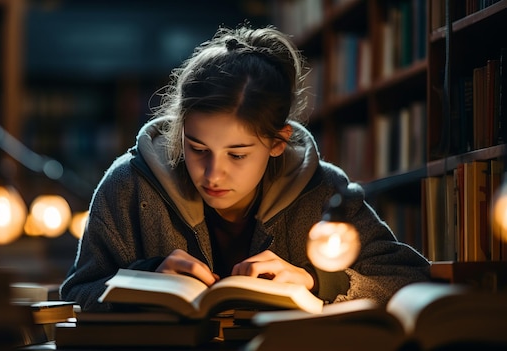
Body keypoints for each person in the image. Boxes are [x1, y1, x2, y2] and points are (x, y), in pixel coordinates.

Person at [60, 24, 430, 311]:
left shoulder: (322, 191)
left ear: (277, 143)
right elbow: (76, 294)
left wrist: (316, 281)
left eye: (237, 154)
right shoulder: (129, 184)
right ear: (180, 132)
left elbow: (411, 280)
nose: (212, 174)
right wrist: (145, 277)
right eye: (196, 148)